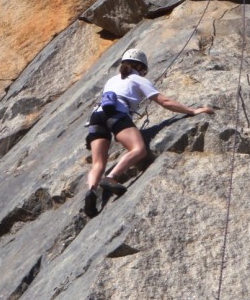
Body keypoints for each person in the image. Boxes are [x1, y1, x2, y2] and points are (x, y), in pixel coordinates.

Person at [84, 48, 215, 218]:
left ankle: (91, 191)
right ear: (141, 67)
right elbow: (164, 101)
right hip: (116, 115)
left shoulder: (112, 80)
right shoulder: (138, 79)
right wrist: (191, 111)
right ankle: (111, 177)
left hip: (96, 118)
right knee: (138, 150)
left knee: (98, 164)